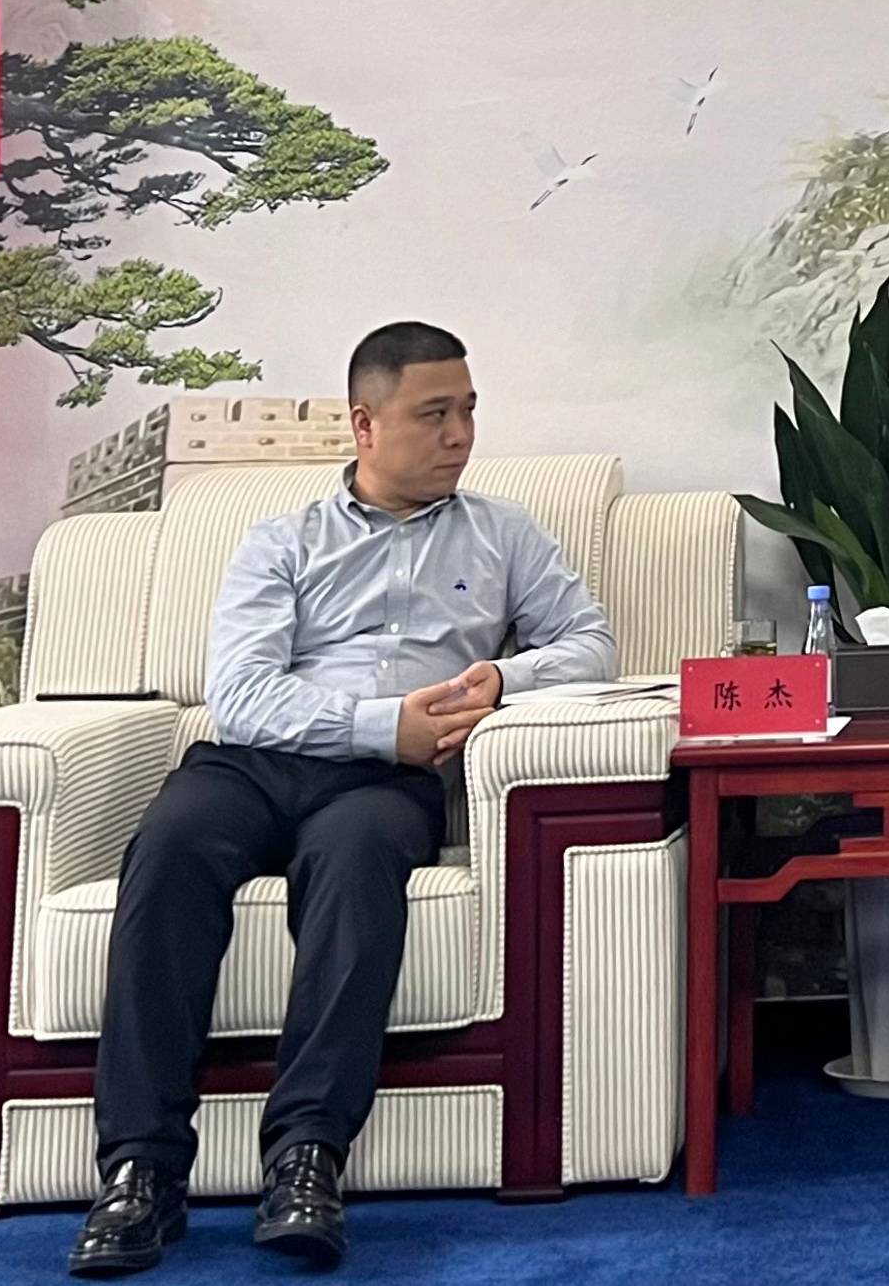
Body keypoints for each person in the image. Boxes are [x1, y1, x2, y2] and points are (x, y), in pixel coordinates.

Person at [68, 322, 617, 1277]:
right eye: (433, 414)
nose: (459, 435)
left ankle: (306, 1158)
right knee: (167, 852)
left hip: (383, 786)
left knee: (359, 863)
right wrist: (378, 723)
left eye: (468, 410)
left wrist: (503, 678)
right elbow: (241, 694)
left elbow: (590, 645)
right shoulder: (283, 540)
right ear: (365, 424)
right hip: (252, 764)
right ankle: (140, 1170)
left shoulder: (502, 533)